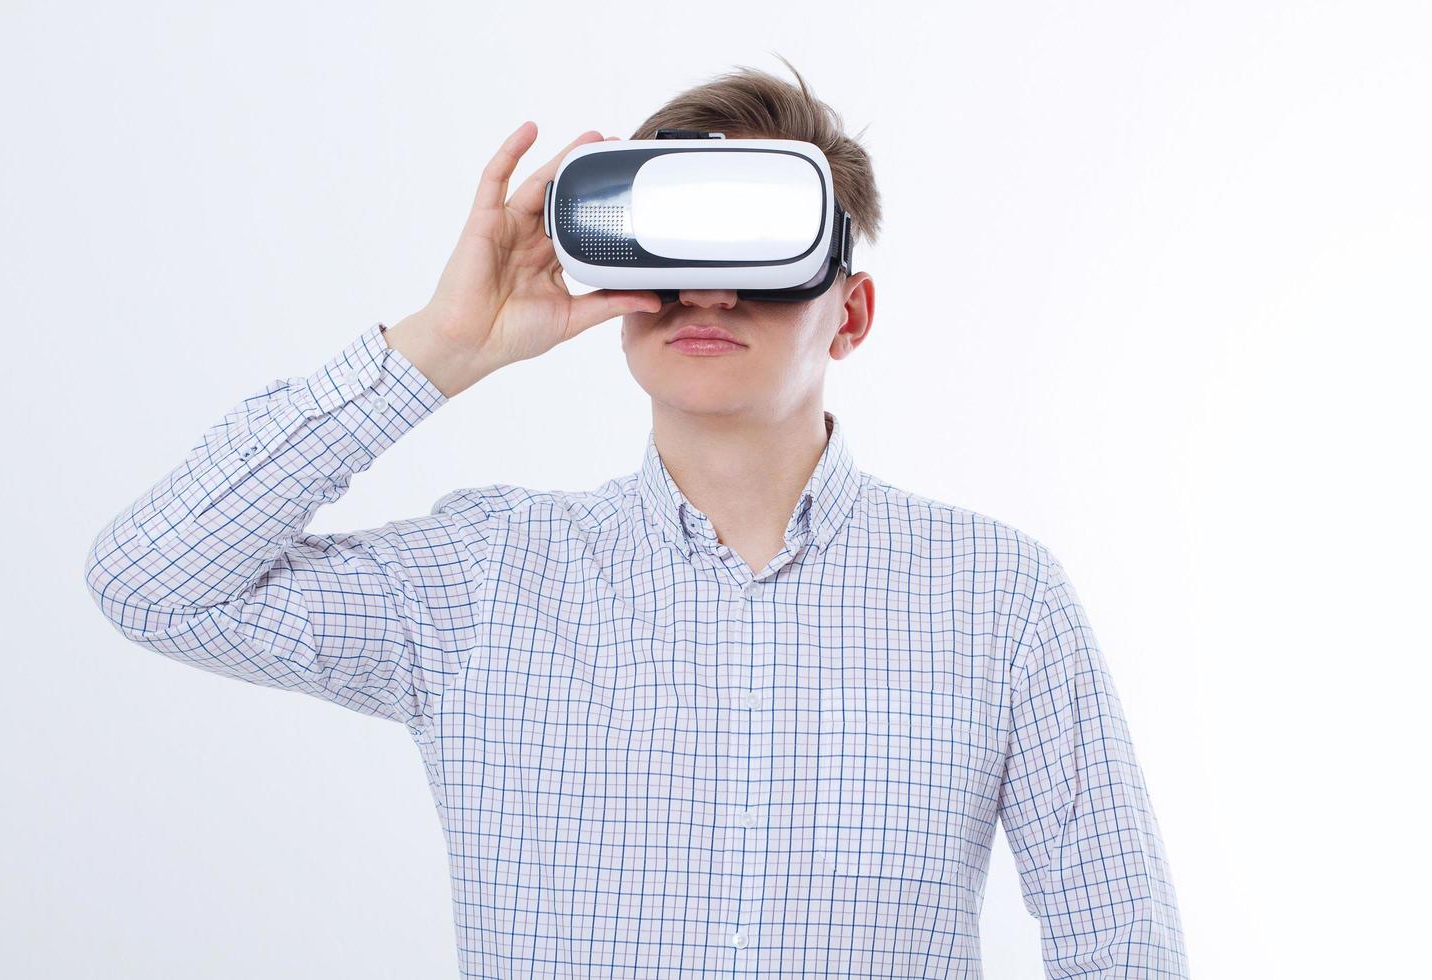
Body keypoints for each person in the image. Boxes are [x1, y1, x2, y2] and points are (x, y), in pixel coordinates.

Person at [85, 61, 1189, 978]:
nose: (708, 294)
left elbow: (1121, 943)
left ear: (848, 311)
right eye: (675, 254)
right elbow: (154, 581)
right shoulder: (487, 576)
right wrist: (441, 346)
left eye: (758, 255)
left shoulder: (999, 596)